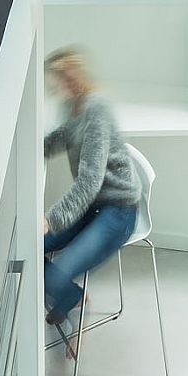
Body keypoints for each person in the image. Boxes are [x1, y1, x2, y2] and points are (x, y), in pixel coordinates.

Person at [43, 46, 141, 358]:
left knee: (60, 270)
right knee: (29, 246)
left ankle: (71, 300)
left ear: (77, 75)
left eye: (66, 77)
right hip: (92, 207)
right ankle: (73, 297)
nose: (61, 85)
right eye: (57, 79)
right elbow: (61, 137)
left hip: (118, 209)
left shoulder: (97, 108)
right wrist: (35, 146)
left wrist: (53, 218)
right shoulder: (71, 107)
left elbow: (89, 181)